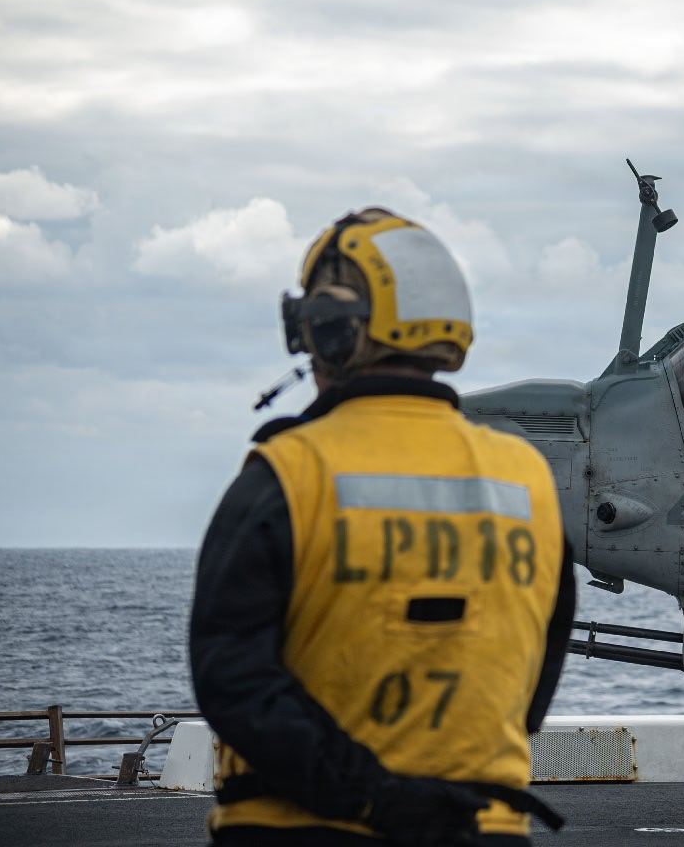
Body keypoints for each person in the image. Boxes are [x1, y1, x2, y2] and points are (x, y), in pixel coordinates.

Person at [190, 207, 575, 847]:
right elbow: (536, 673)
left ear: (330, 331)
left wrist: (374, 797)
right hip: (482, 828)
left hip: (304, 830)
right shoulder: (526, 479)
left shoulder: (288, 473)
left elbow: (232, 680)